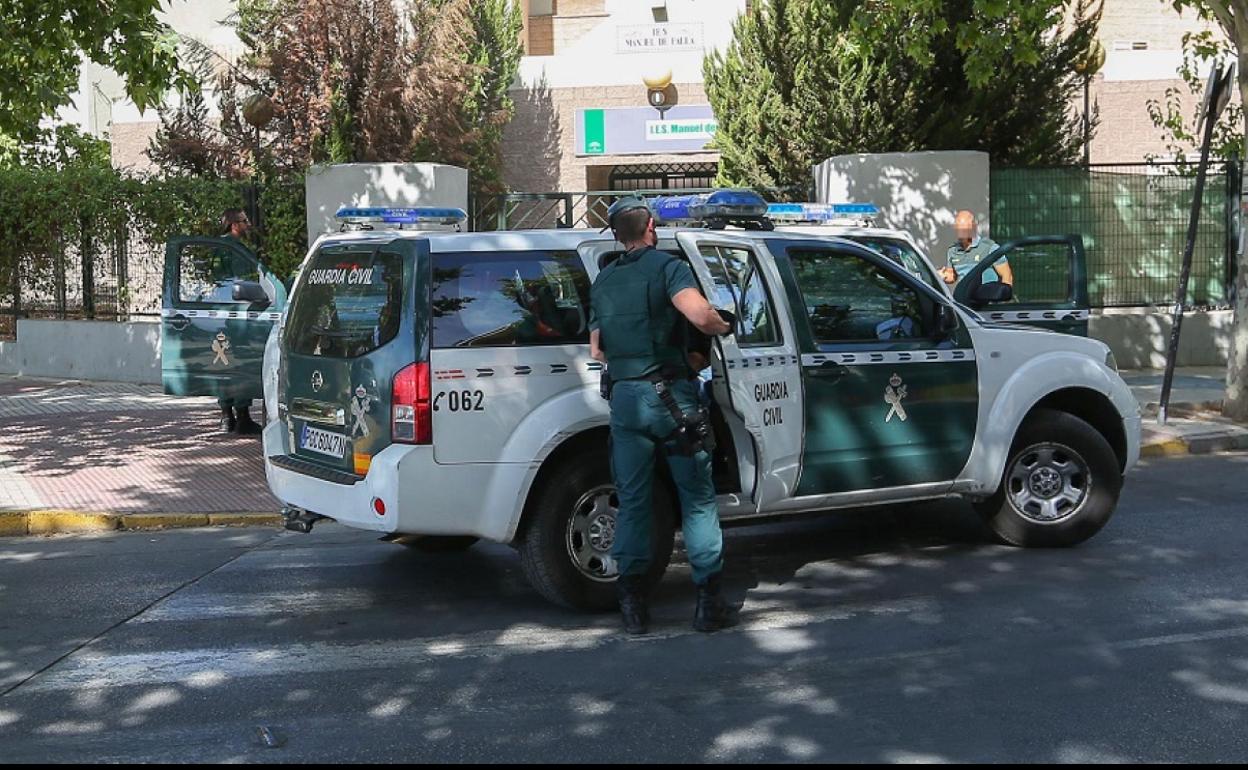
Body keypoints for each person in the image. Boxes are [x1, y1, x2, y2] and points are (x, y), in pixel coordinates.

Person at [589, 197, 736, 635]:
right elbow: (700, 316)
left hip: (626, 404)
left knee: (633, 501)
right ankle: (708, 603)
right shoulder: (668, 268)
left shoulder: (604, 279)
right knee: (696, 501)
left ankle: (632, 605)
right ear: (651, 225)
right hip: (673, 403)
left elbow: (597, 349)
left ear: (616, 233)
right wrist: (723, 325)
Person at [216, 208, 262, 435]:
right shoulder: (235, 248)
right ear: (234, 224)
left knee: (225, 361)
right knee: (241, 361)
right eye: (244, 221)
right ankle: (242, 416)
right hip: (239, 313)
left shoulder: (218, 247)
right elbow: (244, 282)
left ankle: (226, 416)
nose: (248, 224)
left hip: (222, 313)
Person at [940, 210, 1014, 289]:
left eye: (966, 227)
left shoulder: (990, 248)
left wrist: (1003, 295)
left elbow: (1007, 276)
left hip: (987, 298)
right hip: (964, 299)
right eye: (960, 228)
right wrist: (942, 276)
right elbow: (952, 276)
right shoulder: (952, 251)